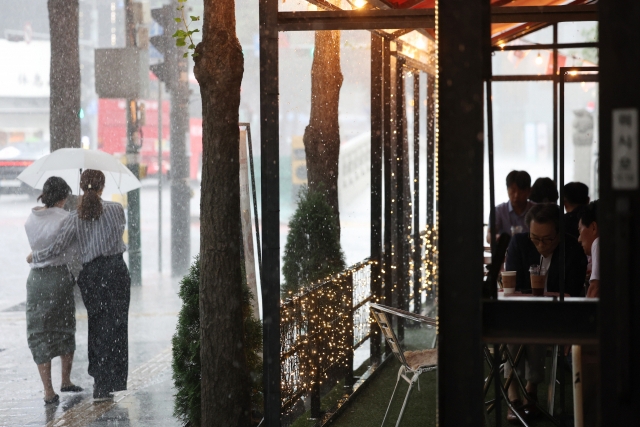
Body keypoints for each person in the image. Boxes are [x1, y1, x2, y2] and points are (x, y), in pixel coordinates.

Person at [28, 170, 130, 401]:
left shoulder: (74, 217)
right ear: (102, 187)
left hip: (92, 276)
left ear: (82, 188)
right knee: (117, 327)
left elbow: (57, 248)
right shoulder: (116, 209)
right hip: (116, 272)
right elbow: (119, 232)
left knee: (97, 326)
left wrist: (35, 255)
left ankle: (99, 380)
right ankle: (114, 380)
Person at [503, 203, 588, 422]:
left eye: (547, 239)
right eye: (535, 238)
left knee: (535, 325)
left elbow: (572, 291)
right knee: (517, 322)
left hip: (556, 315)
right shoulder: (520, 243)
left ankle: (530, 389)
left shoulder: (572, 249)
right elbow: (514, 287)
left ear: (559, 233)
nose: (540, 244)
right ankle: (514, 395)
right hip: (520, 312)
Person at [24, 177, 83, 405]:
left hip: (36, 279)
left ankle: (48, 390)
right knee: (64, 327)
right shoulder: (66, 219)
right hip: (58, 276)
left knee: (39, 331)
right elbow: (72, 252)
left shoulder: (31, 218)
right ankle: (65, 380)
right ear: (63, 196)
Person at [487, 170, 535, 243]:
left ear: (529, 191)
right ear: (507, 189)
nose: (516, 195)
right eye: (513, 190)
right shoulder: (499, 211)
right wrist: (498, 238)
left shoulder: (536, 210)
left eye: (521, 191)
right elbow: (489, 236)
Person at [578, 200, 599, 298]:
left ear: (594, 227)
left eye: (580, 230)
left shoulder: (598, 243)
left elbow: (595, 289)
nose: (579, 239)